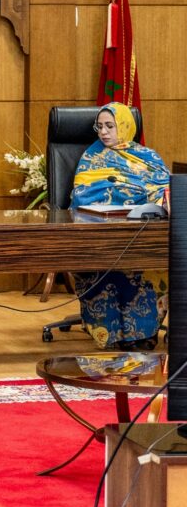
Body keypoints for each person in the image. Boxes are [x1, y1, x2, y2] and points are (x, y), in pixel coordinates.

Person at [70, 102, 170, 349]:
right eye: (99, 126)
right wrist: (129, 194)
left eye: (110, 126)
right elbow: (82, 195)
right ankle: (112, 335)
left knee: (154, 261)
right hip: (102, 235)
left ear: (125, 126)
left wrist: (149, 200)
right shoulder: (92, 158)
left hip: (143, 232)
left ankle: (144, 333)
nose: (103, 132)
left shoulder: (149, 157)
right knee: (107, 266)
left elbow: (165, 191)